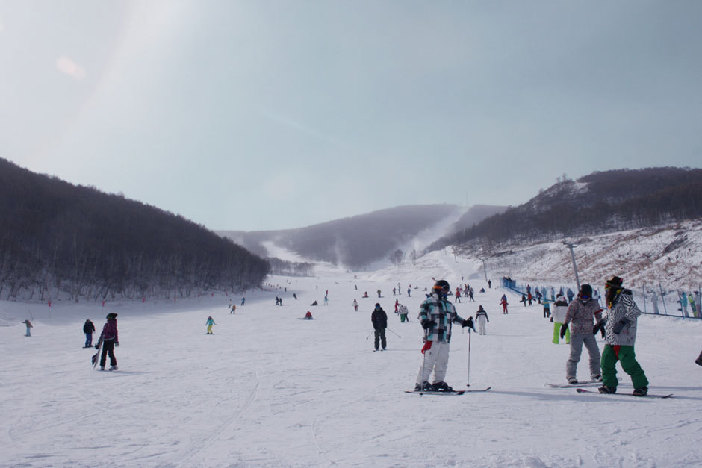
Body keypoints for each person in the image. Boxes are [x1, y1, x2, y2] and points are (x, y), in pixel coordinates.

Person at [414, 280, 473, 392]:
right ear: (438, 289)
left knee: (443, 361)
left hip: (445, 338)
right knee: (429, 361)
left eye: (447, 290)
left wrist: (465, 322)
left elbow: (455, 318)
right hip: (432, 337)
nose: (446, 292)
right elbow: (421, 314)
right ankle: (421, 382)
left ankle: (438, 381)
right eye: (445, 289)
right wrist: (425, 322)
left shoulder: (449, 305)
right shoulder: (428, 302)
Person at [598, 276, 649, 396]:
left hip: (624, 338)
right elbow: (611, 315)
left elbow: (635, 311)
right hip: (611, 338)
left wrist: (622, 322)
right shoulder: (612, 299)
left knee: (628, 363)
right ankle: (609, 385)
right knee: (606, 362)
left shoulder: (625, 297)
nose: (606, 290)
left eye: (608, 287)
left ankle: (641, 386)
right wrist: (601, 322)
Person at [562, 284, 603, 384]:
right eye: (583, 296)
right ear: (580, 294)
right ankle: (571, 376)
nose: (585, 298)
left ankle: (595, 374)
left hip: (589, 332)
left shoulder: (593, 303)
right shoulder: (575, 303)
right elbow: (569, 315)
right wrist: (564, 325)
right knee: (575, 355)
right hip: (577, 332)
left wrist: (600, 326)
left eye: (587, 296)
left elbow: (598, 314)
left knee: (595, 354)